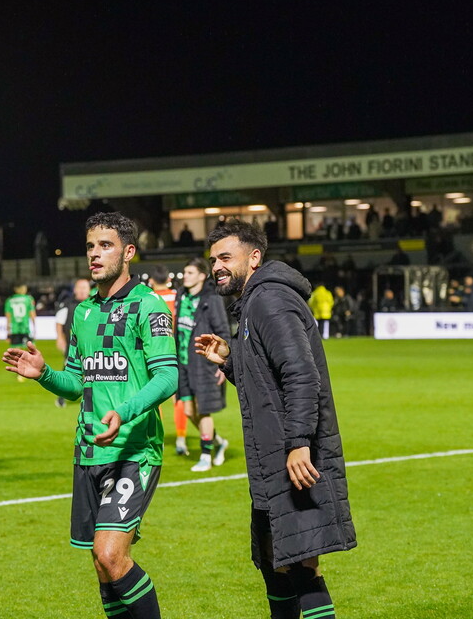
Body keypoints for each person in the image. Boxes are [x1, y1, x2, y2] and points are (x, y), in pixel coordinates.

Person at [3, 212, 176, 619]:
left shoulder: (146, 305)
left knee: (111, 554)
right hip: (88, 451)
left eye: (106, 246)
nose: (95, 255)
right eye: (90, 246)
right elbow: (79, 380)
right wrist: (44, 374)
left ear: (128, 252)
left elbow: (168, 376)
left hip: (132, 450)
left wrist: (124, 410)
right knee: (102, 566)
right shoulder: (83, 313)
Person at [195, 220, 355, 619]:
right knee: (275, 560)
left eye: (225, 257)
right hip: (273, 457)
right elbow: (268, 377)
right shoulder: (253, 302)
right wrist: (231, 360)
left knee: (302, 563)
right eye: (213, 259)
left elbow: (301, 373)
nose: (217, 266)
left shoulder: (269, 300)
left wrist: (299, 443)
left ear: (254, 257)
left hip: (292, 457)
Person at [174, 257, 230, 471]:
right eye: (185, 272)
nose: (185, 276)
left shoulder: (212, 298)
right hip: (183, 364)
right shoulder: (181, 295)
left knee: (204, 410)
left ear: (201, 276)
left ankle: (205, 455)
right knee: (189, 411)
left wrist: (223, 363)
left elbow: (223, 332)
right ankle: (218, 442)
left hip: (204, 364)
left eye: (189, 273)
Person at [148, 266, 186, 454]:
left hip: (155, 352)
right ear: (169, 280)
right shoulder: (178, 298)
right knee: (177, 397)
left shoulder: (149, 298)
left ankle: (159, 439)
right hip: (177, 349)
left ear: (152, 281)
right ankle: (180, 439)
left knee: (156, 396)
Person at [54, 278, 92, 408]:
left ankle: (91, 399)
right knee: (69, 372)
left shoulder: (95, 303)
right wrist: (59, 338)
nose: (82, 291)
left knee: (93, 372)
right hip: (73, 347)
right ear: (75, 289)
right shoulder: (68, 305)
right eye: (80, 288)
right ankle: (61, 397)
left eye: (84, 288)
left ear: (89, 290)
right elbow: (59, 322)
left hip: (92, 346)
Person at [5, 282, 36, 382]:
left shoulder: (9, 300)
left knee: (16, 351)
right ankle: (31, 369)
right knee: (31, 349)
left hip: (14, 328)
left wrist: (8, 330)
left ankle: (19, 371)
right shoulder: (28, 299)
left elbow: (8, 316)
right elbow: (32, 313)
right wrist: (35, 326)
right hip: (25, 327)